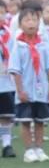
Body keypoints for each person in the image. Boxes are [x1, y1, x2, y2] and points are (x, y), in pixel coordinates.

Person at [10, 3, 49, 162]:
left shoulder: (43, 44)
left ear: (39, 23)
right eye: (27, 20)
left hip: (41, 90)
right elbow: (16, 71)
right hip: (25, 90)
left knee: (40, 121)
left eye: (34, 20)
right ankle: (29, 150)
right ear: (20, 24)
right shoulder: (19, 46)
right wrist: (20, 91)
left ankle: (39, 148)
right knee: (25, 122)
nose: (31, 23)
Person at [0, 16, 16, 158]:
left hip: (4, 81)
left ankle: (7, 145)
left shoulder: (7, 34)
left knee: (6, 115)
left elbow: (13, 54)